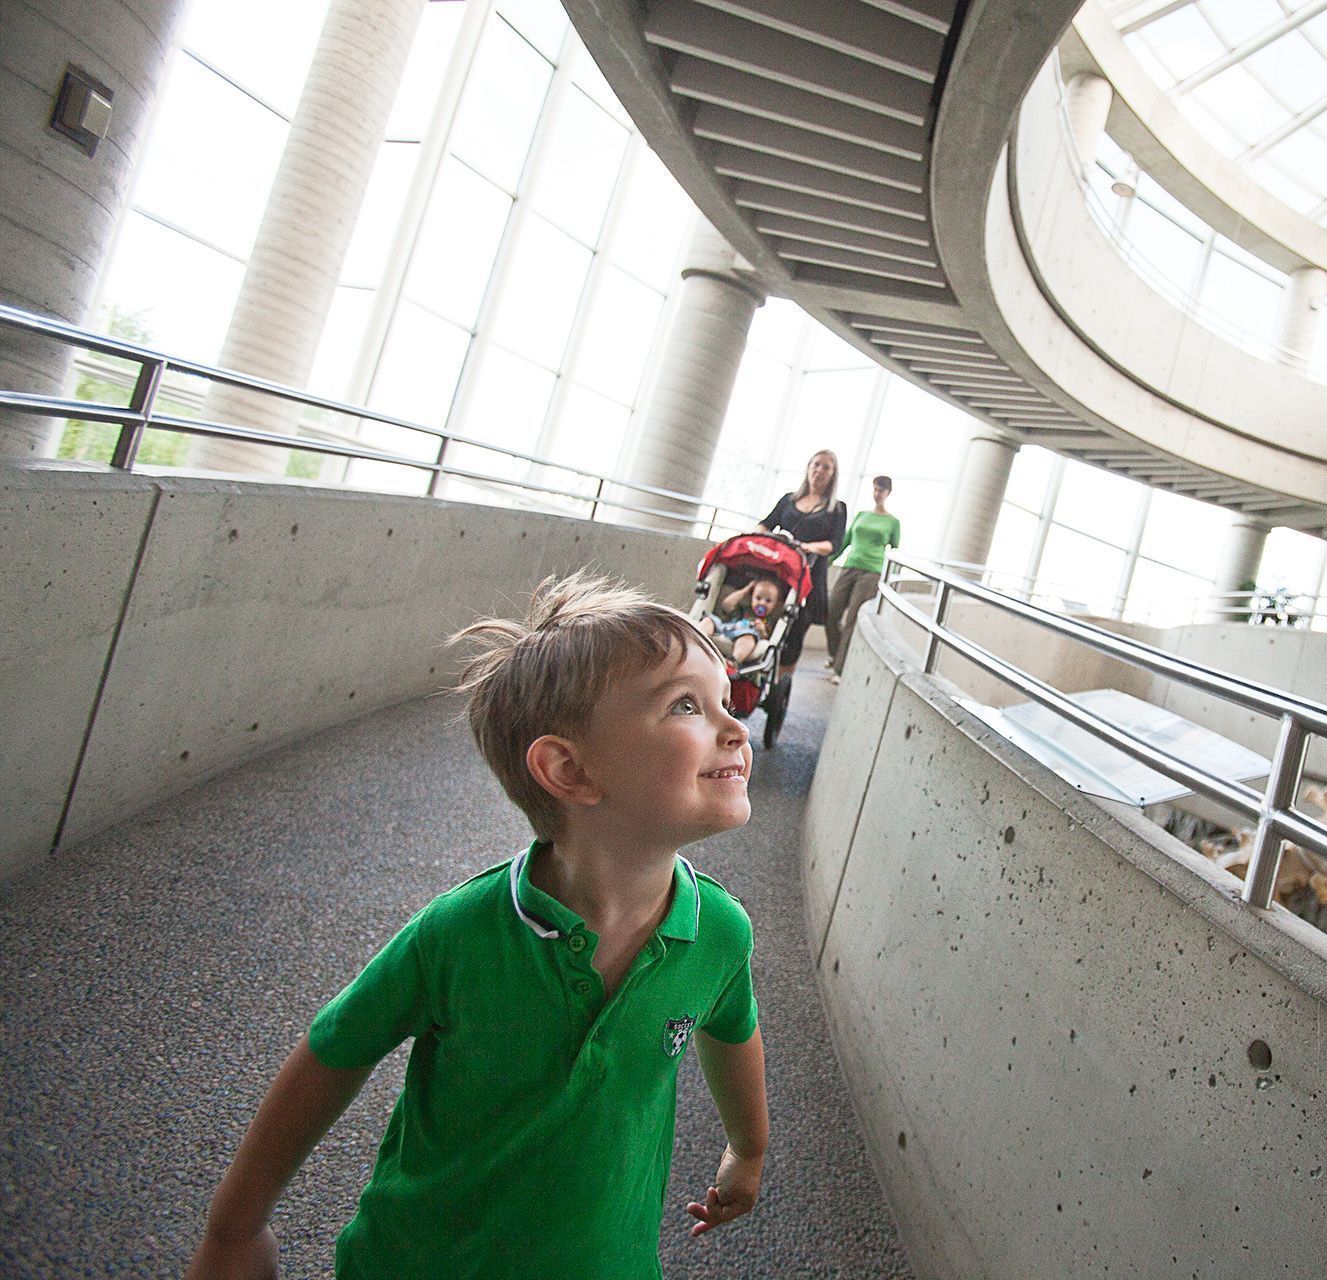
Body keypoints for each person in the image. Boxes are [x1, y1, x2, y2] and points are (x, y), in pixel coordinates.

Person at [185, 572, 769, 1280]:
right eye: (686, 706)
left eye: (725, 699)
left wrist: (748, 1149)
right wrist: (232, 1230)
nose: (736, 726)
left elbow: (731, 1030)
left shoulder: (720, 932)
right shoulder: (458, 935)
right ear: (569, 770)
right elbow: (333, 1052)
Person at [756, 448, 847, 675]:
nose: (819, 470)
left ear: (833, 474)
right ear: (808, 467)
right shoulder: (788, 500)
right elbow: (765, 523)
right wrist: (759, 537)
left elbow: (835, 543)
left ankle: (781, 682)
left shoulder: (837, 508)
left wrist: (809, 547)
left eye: (826, 467)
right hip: (779, 570)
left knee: (796, 628)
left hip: (810, 574)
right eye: (816, 464)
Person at [823, 474, 901, 683]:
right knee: (831, 611)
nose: (877, 493)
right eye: (875, 489)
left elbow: (895, 551)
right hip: (850, 567)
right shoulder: (861, 515)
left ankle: (839, 669)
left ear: (888, 493)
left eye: (882, 490)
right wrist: (828, 561)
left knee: (852, 620)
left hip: (872, 572)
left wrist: (891, 579)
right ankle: (835, 654)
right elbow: (846, 541)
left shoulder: (893, 522)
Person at [698, 573, 786, 665]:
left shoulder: (768, 620)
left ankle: (733, 662)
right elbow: (726, 604)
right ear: (751, 597)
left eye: (768, 601)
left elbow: (765, 638)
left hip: (745, 635)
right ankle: (696, 644)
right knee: (709, 620)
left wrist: (761, 630)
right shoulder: (743, 609)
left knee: (749, 638)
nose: (762, 603)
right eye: (758, 598)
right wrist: (745, 590)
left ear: (776, 604)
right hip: (725, 627)